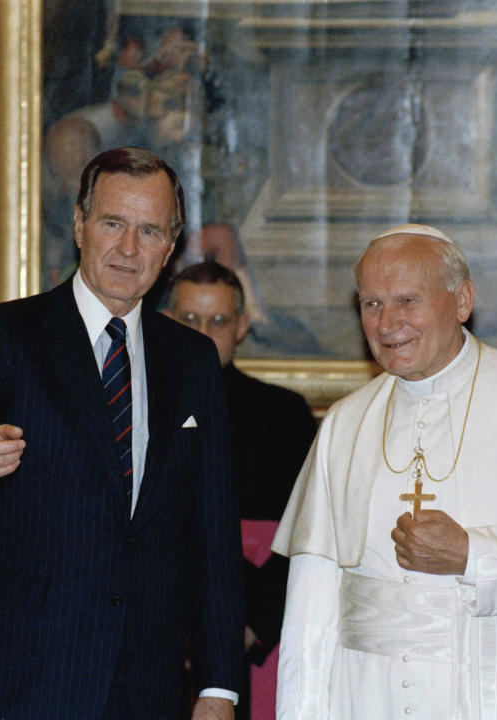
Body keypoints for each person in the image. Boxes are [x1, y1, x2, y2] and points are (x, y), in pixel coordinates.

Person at [0, 147, 243, 720]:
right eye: (113, 223)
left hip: (145, 683)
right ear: (79, 225)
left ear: (170, 247)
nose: (129, 248)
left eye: (150, 231)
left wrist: (219, 687)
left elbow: (212, 530)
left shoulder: (192, 361)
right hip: (19, 677)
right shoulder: (8, 333)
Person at [270, 223, 497, 719]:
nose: (387, 322)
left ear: (462, 301)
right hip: (363, 698)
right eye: (371, 304)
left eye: (407, 300)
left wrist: (474, 555)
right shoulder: (345, 423)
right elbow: (309, 610)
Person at [165, 261, 318, 720]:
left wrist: (249, 623)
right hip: (161, 621)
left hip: (261, 625)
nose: (204, 333)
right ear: (169, 321)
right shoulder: (138, 406)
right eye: (190, 319)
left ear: (242, 326)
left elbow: (309, 531)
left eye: (219, 321)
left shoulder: (285, 414)